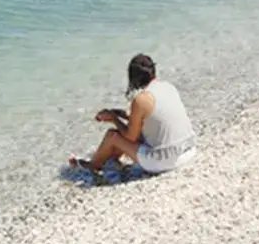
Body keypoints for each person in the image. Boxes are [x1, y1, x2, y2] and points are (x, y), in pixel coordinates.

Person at [69, 54, 197, 175]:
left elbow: (130, 137)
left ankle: (94, 165)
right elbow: (153, 119)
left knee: (112, 135)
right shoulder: (169, 87)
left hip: (164, 161)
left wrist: (113, 118)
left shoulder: (141, 99)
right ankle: (111, 160)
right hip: (188, 150)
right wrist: (124, 115)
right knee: (134, 131)